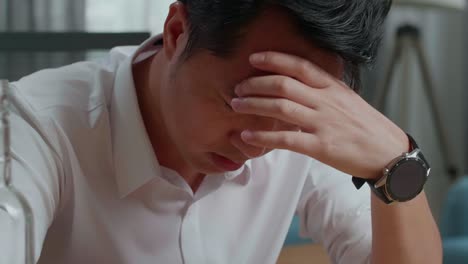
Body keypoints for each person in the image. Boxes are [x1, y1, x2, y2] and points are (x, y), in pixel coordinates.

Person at [1, 0, 442, 263]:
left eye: (287, 108)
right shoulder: (37, 126)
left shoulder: (305, 126)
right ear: (177, 31)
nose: (258, 142)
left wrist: (397, 163)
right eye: (241, 101)